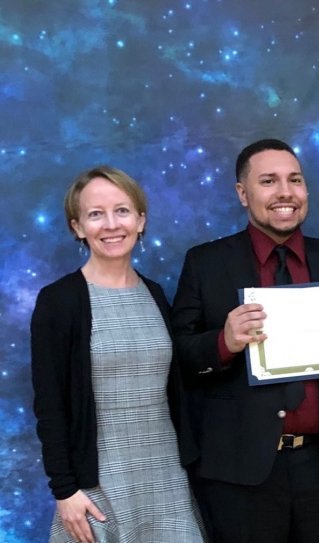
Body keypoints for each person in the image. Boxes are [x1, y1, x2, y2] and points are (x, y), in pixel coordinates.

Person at [171, 138, 319, 543]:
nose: (285, 193)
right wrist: (222, 342)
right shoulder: (205, 264)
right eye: (269, 181)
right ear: (243, 193)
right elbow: (181, 359)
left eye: (295, 180)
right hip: (242, 474)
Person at [30, 166, 204, 543]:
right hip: (96, 487)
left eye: (122, 211)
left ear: (141, 220)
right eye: (96, 214)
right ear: (77, 227)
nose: (111, 224)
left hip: (166, 478)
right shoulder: (58, 302)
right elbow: (50, 406)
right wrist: (65, 491)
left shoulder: (156, 295)